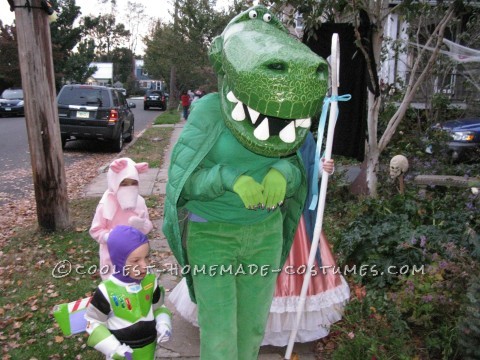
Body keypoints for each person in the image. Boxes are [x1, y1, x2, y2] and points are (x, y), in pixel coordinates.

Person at [162, 5, 328, 360]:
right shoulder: (208, 111)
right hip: (213, 236)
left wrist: (282, 173)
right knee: (220, 334)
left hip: (264, 235)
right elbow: (182, 184)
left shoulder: (284, 110)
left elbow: (297, 169)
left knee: (253, 328)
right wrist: (229, 178)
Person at [168, 134, 350, 346]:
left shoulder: (301, 133)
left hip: (291, 215)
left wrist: (320, 168)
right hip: (247, 212)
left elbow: (304, 167)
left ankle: (275, 329)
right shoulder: (248, 126)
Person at [85, 225, 172, 360]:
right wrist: (114, 349)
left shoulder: (150, 281)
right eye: (136, 260)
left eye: (146, 257)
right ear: (119, 261)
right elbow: (93, 322)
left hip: (149, 349)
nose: (144, 265)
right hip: (121, 354)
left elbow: (159, 308)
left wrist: (164, 323)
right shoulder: (107, 291)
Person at [90, 158, 153, 279]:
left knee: (135, 286)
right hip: (112, 256)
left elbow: (147, 225)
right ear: (115, 182)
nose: (129, 187)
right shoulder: (106, 205)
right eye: (123, 184)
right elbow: (96, 230)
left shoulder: (139, 202)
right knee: (115, 288)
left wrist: (142, 225)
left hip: (136, 256)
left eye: (133, 183)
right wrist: (112, 237)